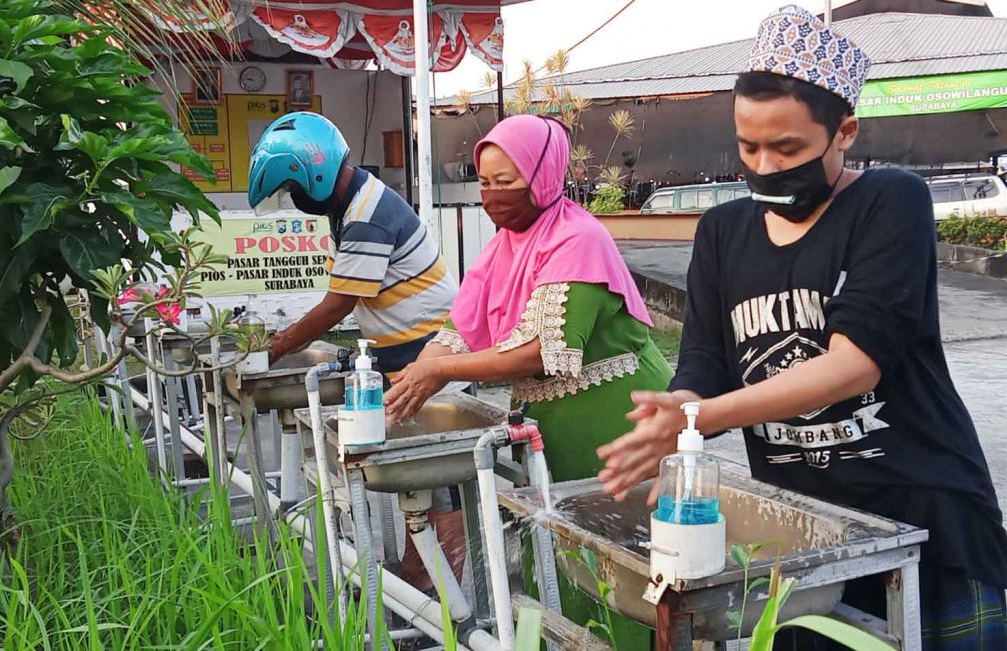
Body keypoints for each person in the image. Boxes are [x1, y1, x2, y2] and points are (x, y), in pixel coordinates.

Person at [597, 6, 1007, 649]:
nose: (764, 164)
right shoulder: (722, 232)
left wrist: (705, 418)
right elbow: (704, 363)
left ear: (844, 131)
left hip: (922, 514)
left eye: (787, 148)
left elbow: (854, 365)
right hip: (805, 531)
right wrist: (676, 407)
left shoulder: (889, 203)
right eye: (748, 146)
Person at [385, 114, 674, 647]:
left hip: (617, 420)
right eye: (486, 183)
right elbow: (462, 327)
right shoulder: (505, 246)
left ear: (543, 177)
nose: (494, 196)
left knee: (616, 560)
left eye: (507, 182)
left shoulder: (578, 239)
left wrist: (441, 371)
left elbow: (540, 353)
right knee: (559, 558)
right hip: (553, 426)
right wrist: (417, 374)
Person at [247, 111, 461, 592]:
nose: (295, 201)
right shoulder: (352, 207)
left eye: (291, 190)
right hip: (402, 350)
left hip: (428, 351)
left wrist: (276, 347)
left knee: (435, 480)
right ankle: (426, 584)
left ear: (313, 177)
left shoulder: (367, 214)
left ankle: (441, 598)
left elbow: (337, 305)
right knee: (417, 481)